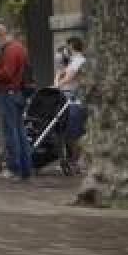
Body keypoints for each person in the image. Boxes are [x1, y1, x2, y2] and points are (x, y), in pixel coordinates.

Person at [0, 23, 32, 181]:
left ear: (0, 35)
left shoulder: (10, 50)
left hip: (9, 94)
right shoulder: (20, 48)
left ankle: (14, 169)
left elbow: (7, 74)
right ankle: (25, 169)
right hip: (19, 94)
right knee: (20, 132)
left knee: (11, 132)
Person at [55, 36, 90, 168]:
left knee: (75, 131)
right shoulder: (73, 61)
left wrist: (57, 85)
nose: (66, 49)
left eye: (67, 46)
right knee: (69, 131)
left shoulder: (79, 61)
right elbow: (62, 73)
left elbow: (69, 77)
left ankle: (77, 160)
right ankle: (72, 159)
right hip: (69, 98)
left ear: (71, 46)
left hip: (75, 100)